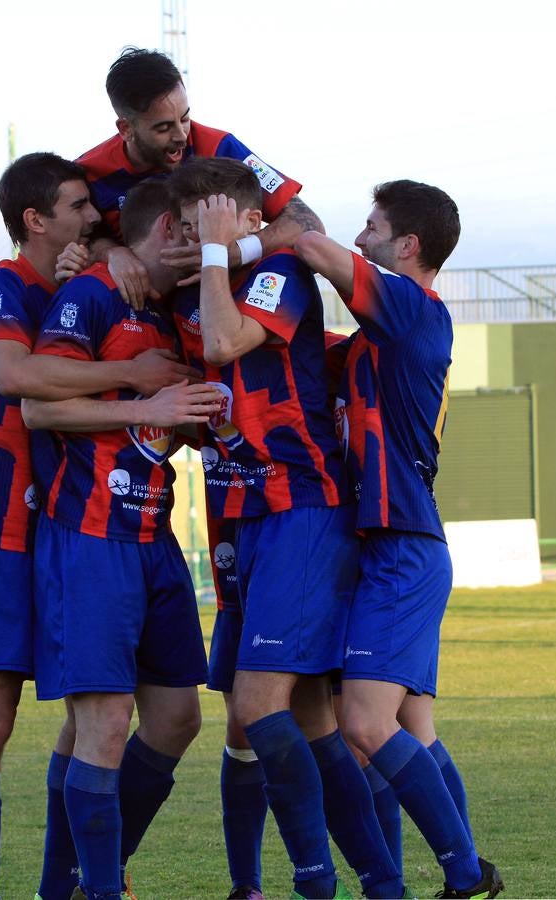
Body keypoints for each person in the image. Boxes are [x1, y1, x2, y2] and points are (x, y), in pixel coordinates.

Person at [0, 152, 206, 900]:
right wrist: (137, 381)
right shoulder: (5, 285)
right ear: (36, 219)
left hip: (72, 522)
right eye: (78, 206)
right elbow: (19, 379)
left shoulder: (87, 288)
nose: (94, 217)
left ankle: (65, 882)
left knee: (91, 711)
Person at [169, 157, 407, 900]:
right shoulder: (189, 290)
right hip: (240, 521)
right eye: (185, 226)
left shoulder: (278, 273)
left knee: (257, 707)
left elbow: (225, 342)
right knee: (297, 716)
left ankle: (315, 880)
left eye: (205, 221)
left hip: (302, 506)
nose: (193, 237)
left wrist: (218, 253)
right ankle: (377, 880)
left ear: (244, 223)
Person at [295, 180, 505, 900]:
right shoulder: (370, 344)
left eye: (373, 225)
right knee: (408, 729)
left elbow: (319, 249)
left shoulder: (414, 310)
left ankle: (465, 872)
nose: (361, 237)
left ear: (407, 246)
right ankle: (419, 879)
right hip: (385, 546)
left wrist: (256, 225)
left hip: (402, 546)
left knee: (362, 722)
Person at [22, 177, 218, 900]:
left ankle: (73, 882)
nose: (213, 243)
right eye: (202, 227)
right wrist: (150, 400)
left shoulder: (173, 309)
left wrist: (193, 418)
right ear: (168, 227)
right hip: (90, 537)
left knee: (176, 718)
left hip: (153, 538)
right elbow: (40, 411)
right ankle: (92, 890)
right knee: (103, 724)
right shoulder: (93, 295)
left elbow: (159, 422)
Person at [60, 47, 323, 304]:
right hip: (142, 317)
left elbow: (307, 222)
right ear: (126, 128)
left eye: (185, 118)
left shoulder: (220, 147)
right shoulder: (89, 172)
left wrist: (230, 254)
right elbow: (74, 244)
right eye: (163, 127)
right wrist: (112, 253)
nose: (181, 136)